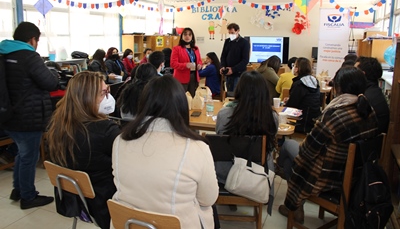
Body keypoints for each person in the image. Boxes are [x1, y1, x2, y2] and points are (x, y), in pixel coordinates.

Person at [112, 75, 218, 229]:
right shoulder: (196, 148)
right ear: (181, 105)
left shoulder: (121, 141)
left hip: (129, 224)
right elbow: (208, 199)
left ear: (144, 104)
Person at [278, 67, 379, 222]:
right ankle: (295, 203)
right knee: (291, 160)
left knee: (287, 150)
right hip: (357, 179)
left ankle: (295, 205)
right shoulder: (369, 111)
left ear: (338, 88)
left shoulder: (335, 115)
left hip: (327, 179)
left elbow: (307, 151)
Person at [47, 71, 121, 229]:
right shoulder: (105, 130)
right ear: (87, 97)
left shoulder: (58, 125)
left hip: (77, 201)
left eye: (108, 91)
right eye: (104, 93)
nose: (108, 97)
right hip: (105, 204)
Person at [0, 21, 59, 209]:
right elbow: (49, 82)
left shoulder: (3, 53)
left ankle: (18, 189)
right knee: (28, 157)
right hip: (28, 116)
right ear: (33, 39)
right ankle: (28, 196)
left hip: (8, 114)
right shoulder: (29, 56)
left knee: (22, 153)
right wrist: (54, 73)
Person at [216, 70, 278, 213]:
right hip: (257, 174)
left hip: (226, 173)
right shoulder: (272, 117)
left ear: (239, 89)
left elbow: (219, 141)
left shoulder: (224, 115)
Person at [355, 56, 390, 134]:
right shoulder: (375, 91)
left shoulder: (365, 98)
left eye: (354, 71)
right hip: (372, 141)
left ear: (362, 74)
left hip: (365, 142)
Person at [286, 57, 321, 134]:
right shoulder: (314, 81)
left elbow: (292, 105)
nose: (293, 68)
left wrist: (286, 102)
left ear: (298, 68)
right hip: (313, 120)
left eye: (295, 66)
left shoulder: (299, 84)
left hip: (301, 122)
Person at [171, 27, 202, 97]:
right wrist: (185, 65)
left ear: (192, 37)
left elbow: (199, 60)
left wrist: (199, 65)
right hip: (181, 77)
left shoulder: (196, 49)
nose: (187, 36)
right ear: (182, 37)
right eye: (185, 34)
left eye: (189, 35)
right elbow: (173, 64)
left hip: (194, 77)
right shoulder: (177, 49)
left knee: (193, 97)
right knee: (181, 98)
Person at [219, 23, 250, 92]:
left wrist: (233, 69)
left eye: (232, 33)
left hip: (238, 74)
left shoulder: (244, 42)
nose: (231, 35)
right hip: (228, 74)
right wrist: (222, 66)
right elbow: (223, 56)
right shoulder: (227, 41)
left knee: (236, 93)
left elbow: (245, 60)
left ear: (237, 31)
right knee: (229, 93)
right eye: (229, 33)